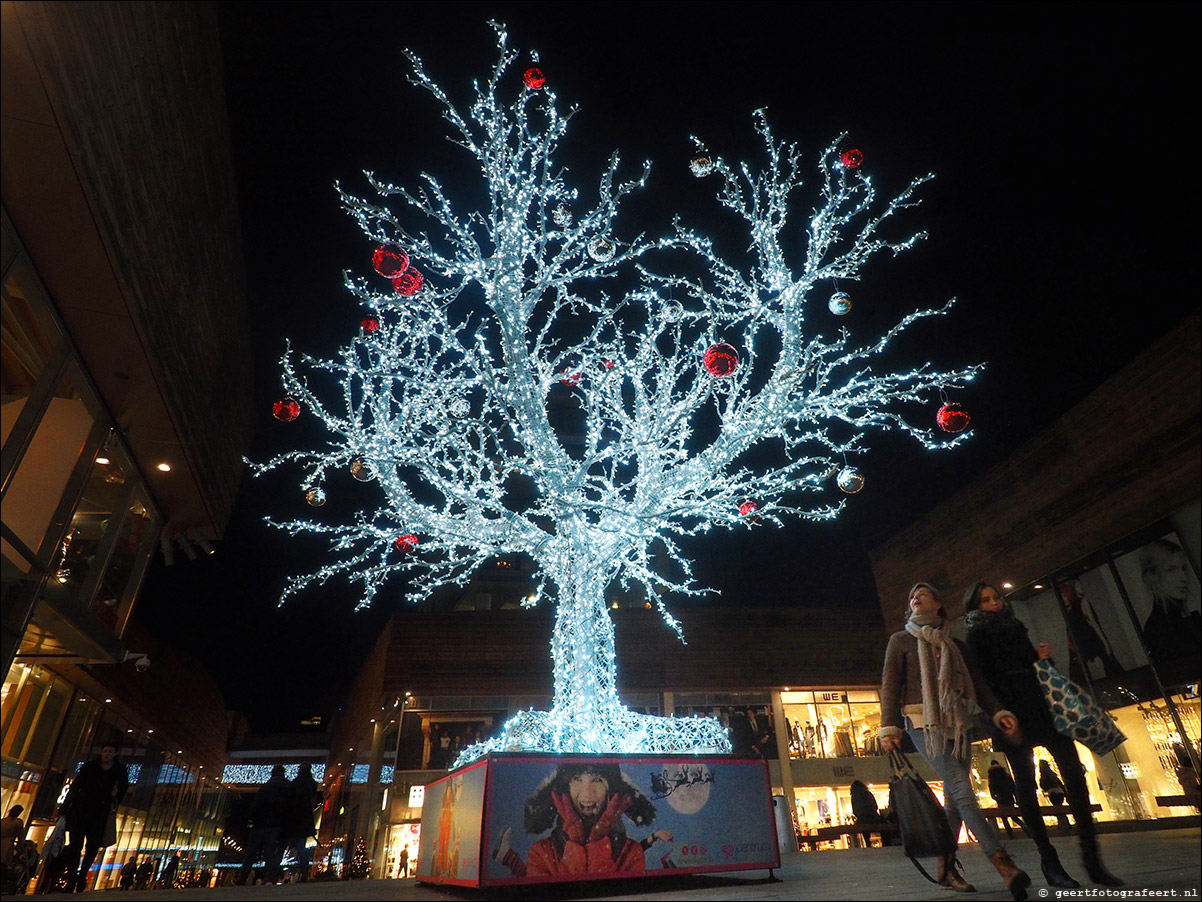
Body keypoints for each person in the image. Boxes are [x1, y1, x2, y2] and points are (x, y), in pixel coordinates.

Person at [965, 581, 1123, 889]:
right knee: (1024, 784)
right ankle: (1049, 861)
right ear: (975, 606)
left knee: (1074, 776)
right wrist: (1000, 713)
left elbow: (1032, 667)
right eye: (985, 600)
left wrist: (1043, 659)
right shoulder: (976, 635)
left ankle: (1092, 859)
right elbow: (983, 680)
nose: (994, 603)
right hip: (1011, 712)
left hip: (1043, 706)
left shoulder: (1015, 624)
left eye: (996, 597)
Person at [879, 582, 1031, 899]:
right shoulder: (901, 641)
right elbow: (890, 687)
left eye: (922, 594)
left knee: (954, 803)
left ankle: (945, 868)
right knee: (962, 788)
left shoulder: (955, 645)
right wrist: (889, 728)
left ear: (938, 603)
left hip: (958, 724)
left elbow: (978, 683)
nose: (914, 597)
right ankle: (1002, 862)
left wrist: (997, 711)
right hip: (922, 723)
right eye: (911, 595)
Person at [492, 762, 664, 877]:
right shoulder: (541, 853)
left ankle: (506, 857)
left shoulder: (632, 853)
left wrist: (600, 832)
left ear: (611, 789)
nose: (587, 793)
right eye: (577, 779)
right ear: (565, 787)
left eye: (597, 780)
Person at [60, 736, 129, 892]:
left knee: (93, 845)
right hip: (81, 808)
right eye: (105, 751)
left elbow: (124, 787)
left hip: (100, 810)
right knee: (75, 845)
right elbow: (76, 786)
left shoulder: (119, 770)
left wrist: (115, 801)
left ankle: (82, 874)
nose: (106, 754)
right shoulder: (89, 766)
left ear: (115, 753)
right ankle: (72, 878)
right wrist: (65, 806)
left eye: (110, 751)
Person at [1138, 539, 1202, 664]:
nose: (1183, 577)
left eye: (1183, 568)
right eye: (1172, 569)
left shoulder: (1185, 617)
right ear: (1152, 575)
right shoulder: (1157, 628)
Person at [238, 764, 291, 885]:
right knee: (270, 852)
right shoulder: (288, 787)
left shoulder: (266, 787)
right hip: (278, 824)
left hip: (261, 823)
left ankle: (243, 875)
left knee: (252, 850)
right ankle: (269, 875)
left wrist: (251, 818)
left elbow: (257, 804)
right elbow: (290, 807)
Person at [282, 763, 320, 882]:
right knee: (301, 845)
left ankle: (272, 873)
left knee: (284, 844)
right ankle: (304, 871)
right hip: (304, 818)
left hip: (293, 818)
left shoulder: (295, 783)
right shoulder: (311, 784)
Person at [986, 760, 1024, 839]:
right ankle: (1025, 828)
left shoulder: (992, 777)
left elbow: (992, 789)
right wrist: (1016, 797)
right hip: (1009, 797)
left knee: (1004, 817)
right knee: (1013, 815)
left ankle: (1010, 834)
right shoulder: (1006, 775)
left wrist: (995, 797)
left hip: (1001, 798)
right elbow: (1013, 787)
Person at [1039, 761, 1072, 833]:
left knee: (1057, 809)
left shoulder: (1044, 775)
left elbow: (1043, 786)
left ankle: (1062, 825)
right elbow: (1060, 783)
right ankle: (1066, 824)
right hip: (1060, 792)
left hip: (1052, 793)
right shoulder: (1053, 774)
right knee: (1060, 807)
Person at [1, 805, 25, 870]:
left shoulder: (3, 821)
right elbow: (21, 837)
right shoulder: (18, 822)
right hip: (7, 847)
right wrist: (19, 849)